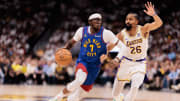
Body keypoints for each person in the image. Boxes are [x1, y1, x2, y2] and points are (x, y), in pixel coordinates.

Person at [49, 13, 126, 101]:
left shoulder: (106, 33)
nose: (98, 21)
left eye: (99, 20)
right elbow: (71, 42)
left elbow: (123, 47)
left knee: (80, 94)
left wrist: (117, 58)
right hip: (83, 62)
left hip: (95, 66)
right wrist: (64, 51)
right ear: (90, 22)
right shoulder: (81, 31)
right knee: (79, 79)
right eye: (95, 19)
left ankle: (66, 99)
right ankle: (58, 97)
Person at [109, 2, 163, 101]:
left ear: (137, 21)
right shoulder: (122, 34)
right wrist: (101, 54)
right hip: (126, 62)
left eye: (130, 19)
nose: (127, 21)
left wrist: (154, 15)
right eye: (126, 19)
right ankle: (119, 97)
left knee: (135, 86)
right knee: (115, 94)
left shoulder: (143, 29)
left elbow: (159, 24)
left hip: (140, 63)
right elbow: (110, 45)